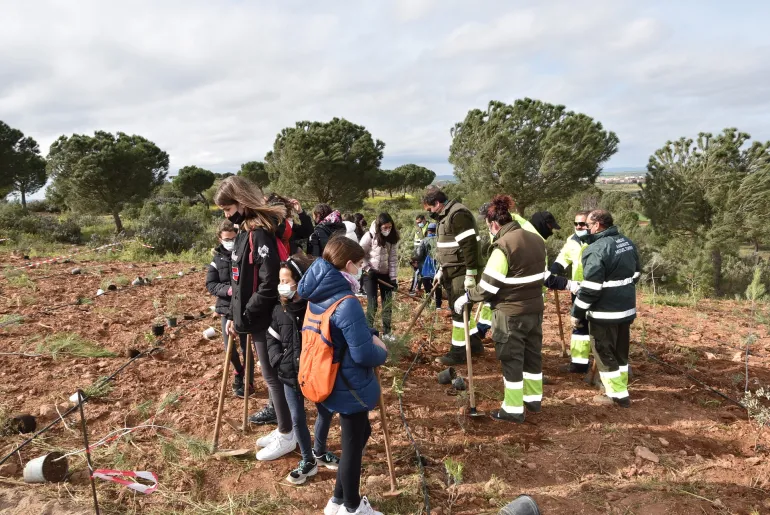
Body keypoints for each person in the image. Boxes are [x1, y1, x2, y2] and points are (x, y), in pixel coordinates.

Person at [297, 236, 388, 515]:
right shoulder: (347, 301)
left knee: (361, 434)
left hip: (327, 377)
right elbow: (362, 354)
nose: (361, 269)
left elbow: (344, 335)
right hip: (349, 384)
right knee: (352, 445)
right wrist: (382, 351)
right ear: (348, 264)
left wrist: (367, 334)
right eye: (359, 264)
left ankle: (337, 500)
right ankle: (352, 507)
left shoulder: (316, 294)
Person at [214, 176, 296, 461]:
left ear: (242, 202)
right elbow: (239, 283)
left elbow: (267, 282)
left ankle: (288, 434)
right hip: (250, 315)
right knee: (270, 377)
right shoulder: (244, 232)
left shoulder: (259, 233)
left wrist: (246, 316)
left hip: (264, 316)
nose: (227, 215)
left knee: (273, 378)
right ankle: (284, 429)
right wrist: (233, 316)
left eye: (228, 209)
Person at [455, 195, 546, 423]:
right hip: (534, 310)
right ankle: (533, 400)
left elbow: (487, 286)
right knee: (532, 356)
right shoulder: (536, 240)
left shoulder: (503, 246)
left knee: (512, 359)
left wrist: (467, 296)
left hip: (510, 314)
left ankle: (513, 409)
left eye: (488, 227)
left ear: (494, 224)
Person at [265, 253, 340, 485]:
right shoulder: (279, 311)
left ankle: (319, 450)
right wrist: (278, 359)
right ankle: (307, 460)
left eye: (287, 280)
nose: (282, 286)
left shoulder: (315, 309)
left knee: (325, 412)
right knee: (297, 417)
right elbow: (272, 340)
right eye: (281, 281)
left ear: (301, 281)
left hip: (315, 374)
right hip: (289, 374)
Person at [571, 209, 640, 408]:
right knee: (620, 351)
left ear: (598, 225)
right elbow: (636, 274)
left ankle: (615, 395)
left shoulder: (595, 249)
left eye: (588, 225)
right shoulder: (626, 242)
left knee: (603, 351)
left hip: (604, 312)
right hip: (626, 309)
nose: (585, 229)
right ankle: (621, 387)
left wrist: (577, 312)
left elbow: (591, 288)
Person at [422, 187, 484, 365]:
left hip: (462, 271)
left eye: (430, 209)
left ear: (438, 204)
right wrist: (441, 269)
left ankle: (458, 353)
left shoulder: (458, 214)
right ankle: (474, 344)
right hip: (451, 270)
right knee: (459, 308)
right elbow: (446, 247)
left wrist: (471, 275)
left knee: (459, 311)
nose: (429, 213)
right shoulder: (444, 217)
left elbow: (469, 246)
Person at [206, 219, 254, 399]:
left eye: (234, 238)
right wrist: (228, 290)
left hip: (244, 306)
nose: (231, 241)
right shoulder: (216, 259)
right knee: (229, 348)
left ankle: (249, 381)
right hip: (226, 307)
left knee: (245, 345)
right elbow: (211, 284)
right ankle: (239, 371)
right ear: (220, 238)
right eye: (227, 238)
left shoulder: (244, 252)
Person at [545, 210, 591, 373]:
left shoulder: (597, 241)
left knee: (601, 327)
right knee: (579, 324)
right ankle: (579, 363)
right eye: (576, 223)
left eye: (582, 223)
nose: (578, 226)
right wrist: (553, 273)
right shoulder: (572, 240)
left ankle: (608, 365)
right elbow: (563, 258)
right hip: (578, 290)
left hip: (597, 290)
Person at [359, 213, 400, 341]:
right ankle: (367, 331)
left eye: (389, 227)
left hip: (385, 274)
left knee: (387, 303)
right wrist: (367, 268)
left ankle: (387, 333)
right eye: (385, 227)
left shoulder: (392, 238)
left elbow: (392, 259)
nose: (387, 230)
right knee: (373, 303)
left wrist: (393, 279)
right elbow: (359, 254)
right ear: (379, 226)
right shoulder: (369, 236)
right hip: (370, 274)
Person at [413, 222, 442, 309]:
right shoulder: (439, 240)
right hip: (437, 268)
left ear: (428, 231)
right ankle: (438, 305)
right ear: (436, 230)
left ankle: (429, 304)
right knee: (437, 285)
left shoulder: (424, 241)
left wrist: (415, 260)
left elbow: (419, 255)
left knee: (427, 286)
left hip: (425, 269)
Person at [409, 215, 429, 295]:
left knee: (420, 272)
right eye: (417, 222)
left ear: (424, 220)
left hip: (426, 254)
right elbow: (416, 243)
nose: (419, 224)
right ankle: (416, 288)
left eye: (420, 222)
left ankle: (415, 289)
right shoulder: (417, 229)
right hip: (418, 252)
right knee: (418, 271)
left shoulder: (429, 227)